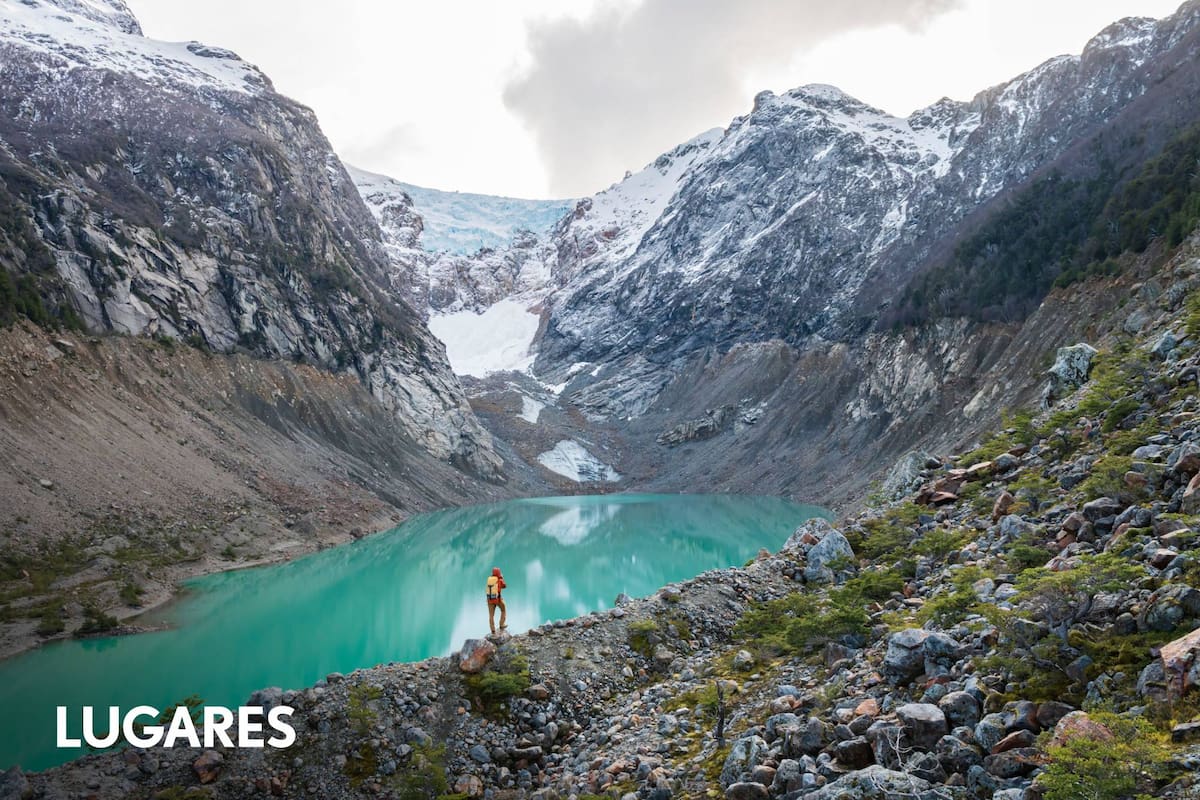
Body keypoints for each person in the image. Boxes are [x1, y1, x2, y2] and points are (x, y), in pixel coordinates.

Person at [486, 567, 507, 634]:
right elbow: (504, 586)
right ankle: (501, 624)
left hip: (490, 600)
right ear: (499, 573)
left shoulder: (489, 579)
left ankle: (493, 630)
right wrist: (501, 578)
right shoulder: (499, 580)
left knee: (491, 615)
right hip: (498, 599)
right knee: (503, 610)